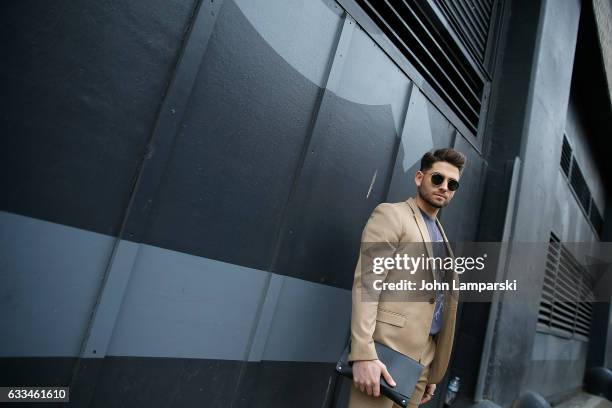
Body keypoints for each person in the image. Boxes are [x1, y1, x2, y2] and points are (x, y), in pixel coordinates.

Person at [347, 148, 466, 408]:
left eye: (452, 183)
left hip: (423, 360)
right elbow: (367, 284)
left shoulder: (440, 234)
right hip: (385, 354)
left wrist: (430, 369)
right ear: (419, 178)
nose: (444, 187)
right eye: (437, 179)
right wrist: (363, 353)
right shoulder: (392, 215)